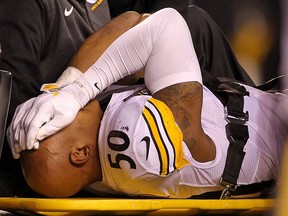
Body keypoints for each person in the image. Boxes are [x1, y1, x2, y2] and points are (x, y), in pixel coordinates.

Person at [9, 7, 286, 198]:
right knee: (194, 21)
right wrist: (76, 92)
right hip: (279, 132)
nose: (54, 110)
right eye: (50, 121)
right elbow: (167, 25)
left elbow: (132, 21)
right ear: (79, 152)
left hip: (254, 109)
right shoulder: (139, 143)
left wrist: (62, 87)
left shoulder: (96, 157)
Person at [0, 0, 187, 197]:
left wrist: (72, 86)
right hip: (49, 152)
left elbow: (136, 23)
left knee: (196, 25)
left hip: (93, 114)